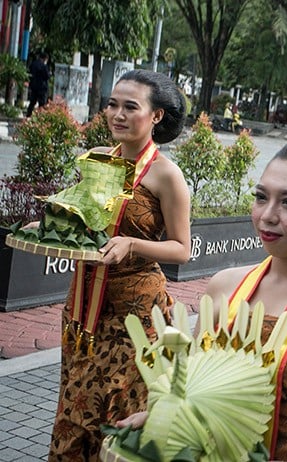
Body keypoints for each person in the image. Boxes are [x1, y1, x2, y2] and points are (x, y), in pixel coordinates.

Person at [118, 138, 287, 460]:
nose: (267, 216)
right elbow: (197, 385)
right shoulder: (224, 286)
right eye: (261, 197)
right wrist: (164, 417)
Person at [48, 69, 192, 460]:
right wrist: (47, 225)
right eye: (113, 104)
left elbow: (182, 249)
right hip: (82, 309)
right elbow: (84, 221)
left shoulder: (167, 176)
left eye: (131, 107)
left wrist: (133, 244)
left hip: (135, 319)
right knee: (75, 407)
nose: (117, 114)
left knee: (117, 413)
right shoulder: (97, 161)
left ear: (156, 116)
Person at [26, 51, 50, 117]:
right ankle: (40, 117)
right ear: (45, 59)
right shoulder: (44, 66)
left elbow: (30, 73)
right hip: (42, 87)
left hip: (34, 86)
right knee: (42, 104)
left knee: (32, 102)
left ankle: (28, 115)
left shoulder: (33, 64)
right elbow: (47, 76)